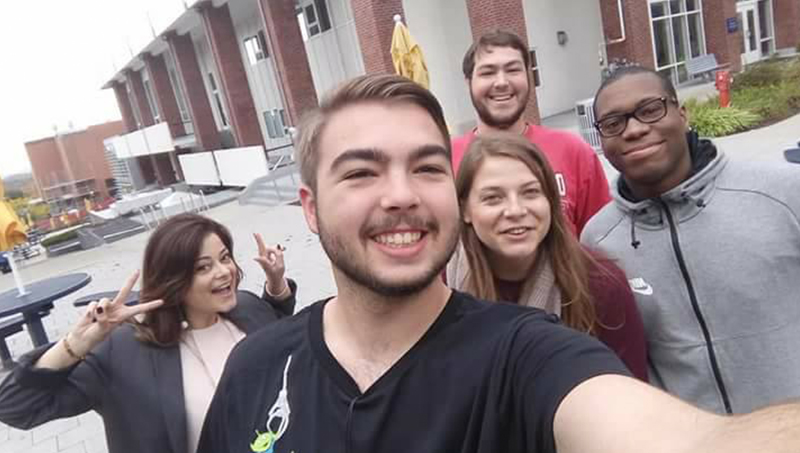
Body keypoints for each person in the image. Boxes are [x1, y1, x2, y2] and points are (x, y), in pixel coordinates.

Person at [197, 74, 800, 453]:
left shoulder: (528, 355)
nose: (402, 194)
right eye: (361, 172)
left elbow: (683, 437)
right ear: (310, 207)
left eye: (428, 167)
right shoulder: (257, 366)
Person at [580, 65, 800, 415]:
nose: (634, 129)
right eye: (613, 123)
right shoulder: (598, 240)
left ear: (682, 114)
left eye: (650, 109)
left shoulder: (784, 193)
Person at [0, 213, 297, 453]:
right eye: (203, 267)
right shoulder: (124, 354)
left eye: (225, 257)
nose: (223, 271)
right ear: (173, 280)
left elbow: (277, 322)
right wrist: (73, 347)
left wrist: (276, 284)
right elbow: (15, 408)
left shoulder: (245, 306)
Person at [447, 133, 647, 380]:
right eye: (493, 198)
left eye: (530, 192)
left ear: (550, 200)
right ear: (465, 209)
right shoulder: (441, 289)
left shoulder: (600, 285)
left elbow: (629, 396)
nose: (516, 210)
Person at [452, 30, 610, 234]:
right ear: (469, 83)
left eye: (513, 70)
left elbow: (602, 241)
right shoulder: (445, 161)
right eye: (488, 72)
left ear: (529, 77)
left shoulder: (573, 151)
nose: (501, 82)